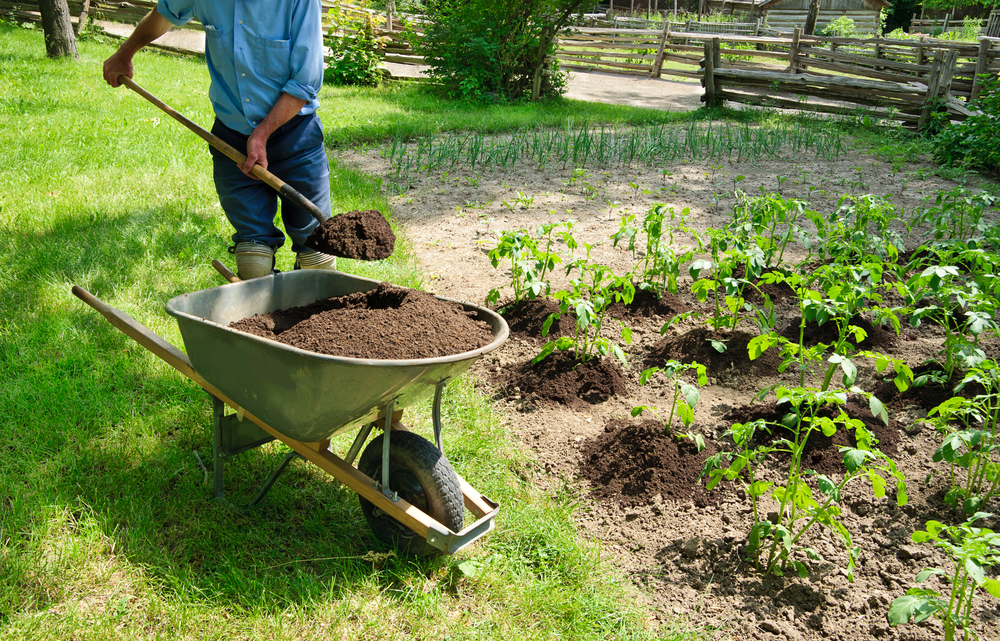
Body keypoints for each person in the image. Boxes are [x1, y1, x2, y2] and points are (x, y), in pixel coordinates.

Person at [103, 0, 337, 279]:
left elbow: (306, 80)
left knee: (318, 257)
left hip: (295, 138)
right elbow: (164, 14)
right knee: (253, 261)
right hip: (231, 139)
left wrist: (261, 134)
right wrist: (124, 53)